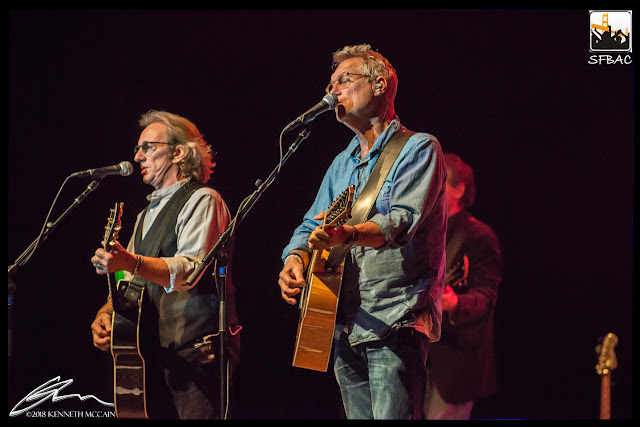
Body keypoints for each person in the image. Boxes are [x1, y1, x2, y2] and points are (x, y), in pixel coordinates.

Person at [277, 44, 447, 419]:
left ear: (380, 84)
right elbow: (309, 224)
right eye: (330, 83)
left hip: (394, 316)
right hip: (343, 321)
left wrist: (349, 234)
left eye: (344, 81)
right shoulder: (342, 163)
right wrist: (295, 257)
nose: (332, 91)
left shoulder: (419, 148)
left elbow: (400, 221)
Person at [89, 110, 240, 419]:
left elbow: (190, 270)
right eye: (137, 148)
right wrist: (107, 310)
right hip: (156, 351)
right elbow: (129, 276)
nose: (137, 156)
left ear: (178, 153)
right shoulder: (145, 215)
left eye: (148, 147)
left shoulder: (203, 199)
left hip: (197, 350)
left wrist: (128, 260)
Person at [423, 153, 503, 419]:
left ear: (459, 189)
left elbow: (486, 297)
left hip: (454, 362)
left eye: (439, 185)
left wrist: (456, 304)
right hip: (418, 355)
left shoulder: (479, 236)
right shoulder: (424, 232)